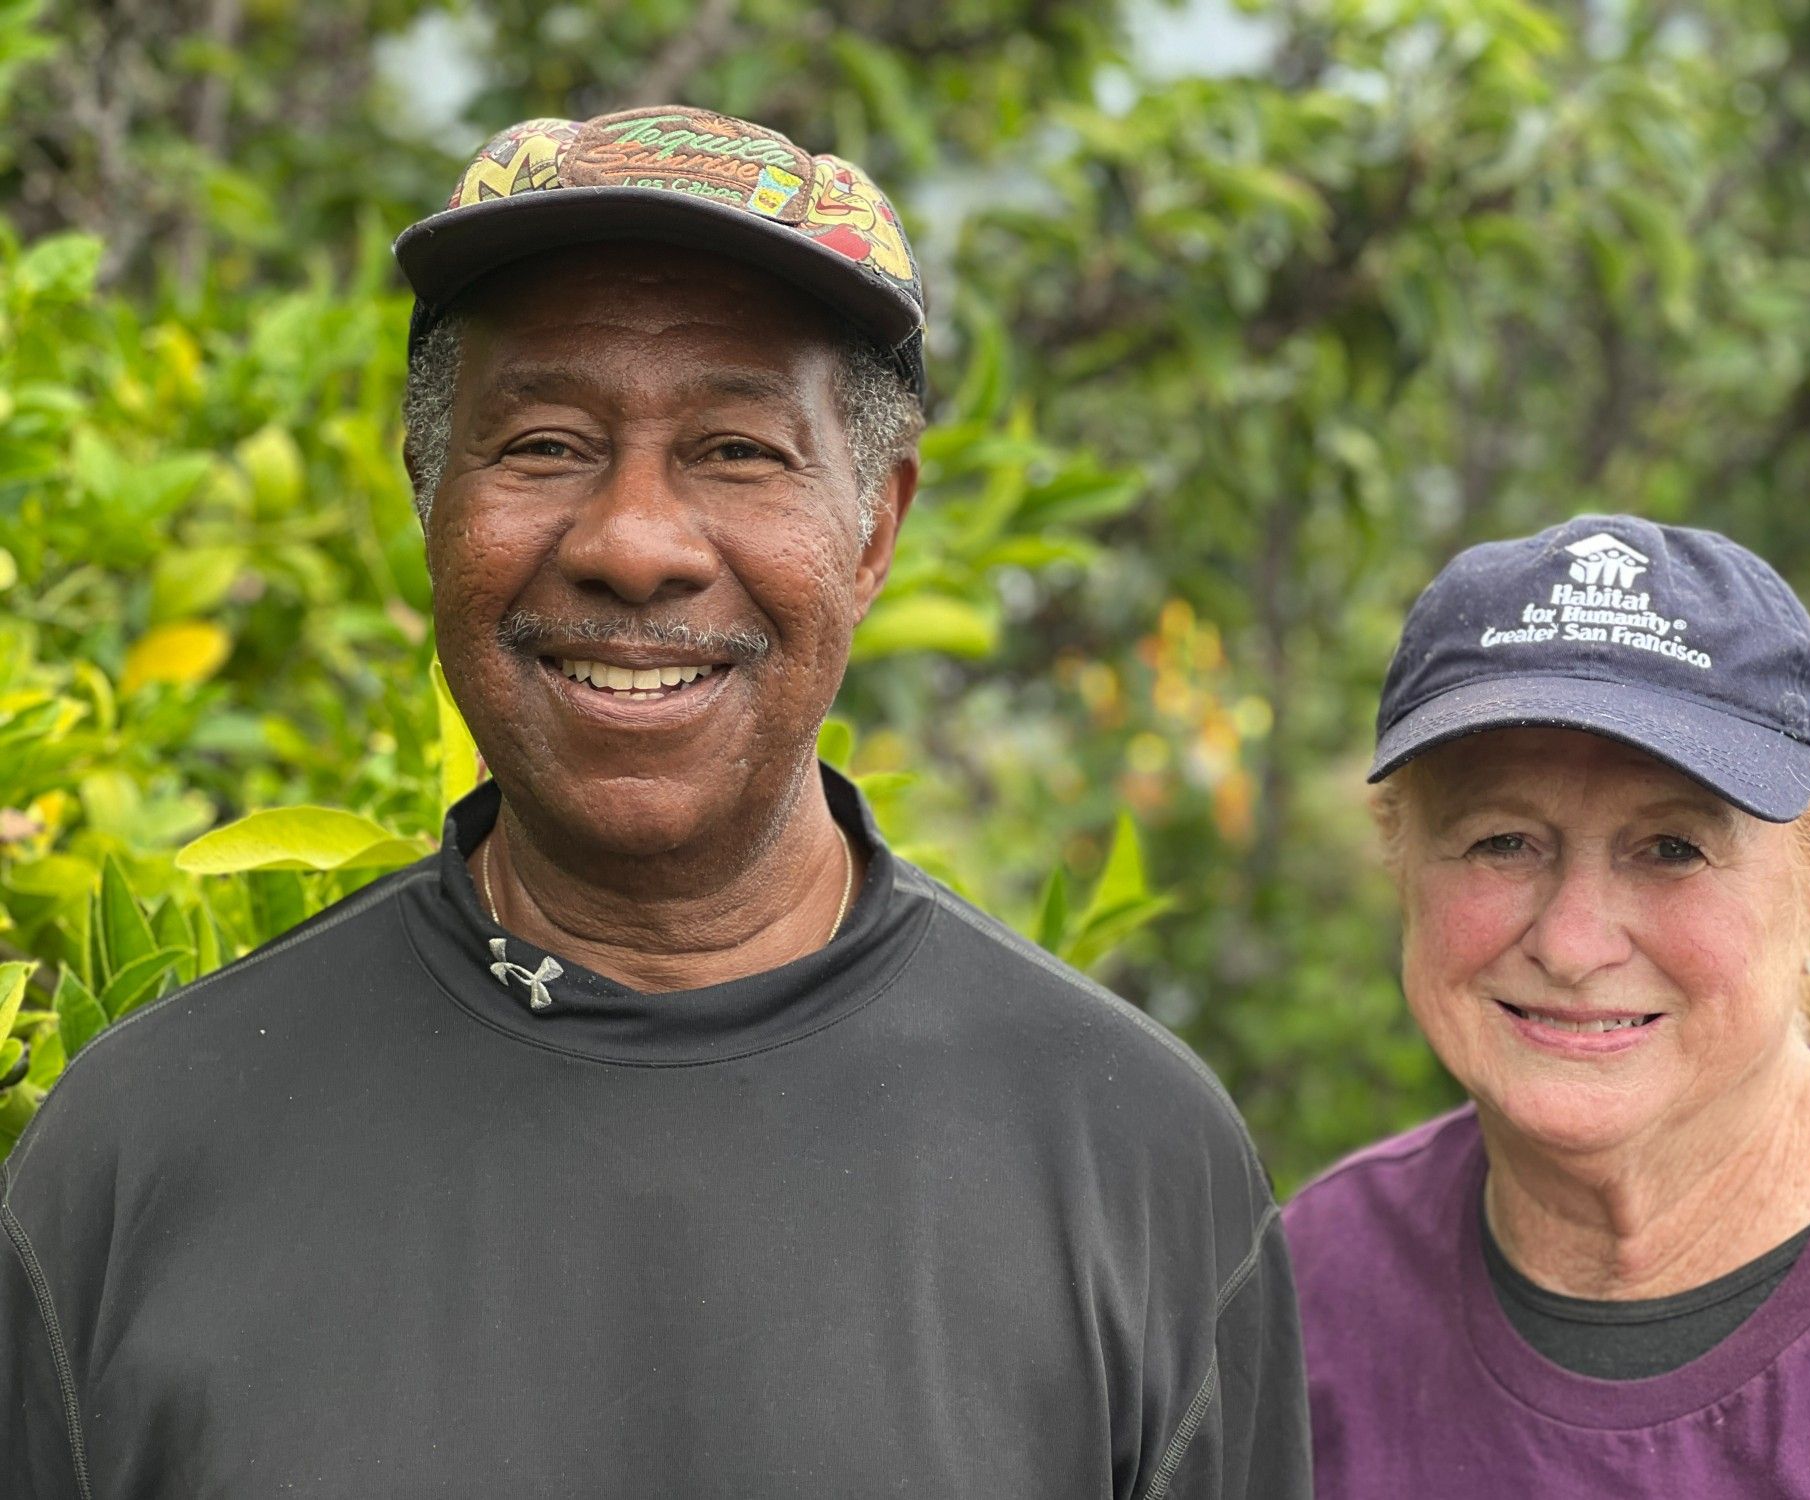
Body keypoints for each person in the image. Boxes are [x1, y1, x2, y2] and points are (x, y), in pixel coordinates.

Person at [1, 106, 1308, 1498]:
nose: (634, 544)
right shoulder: (138, 1153)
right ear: (429, 492)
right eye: (546, 443)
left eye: (738, 449)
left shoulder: (1132, 1162)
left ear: (875, 528)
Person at [1282, 514, 1810, 1496]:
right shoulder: (1301, 1297)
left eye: (1670, 849)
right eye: (1501, 841)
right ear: (1399, 856)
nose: (1572, 944)